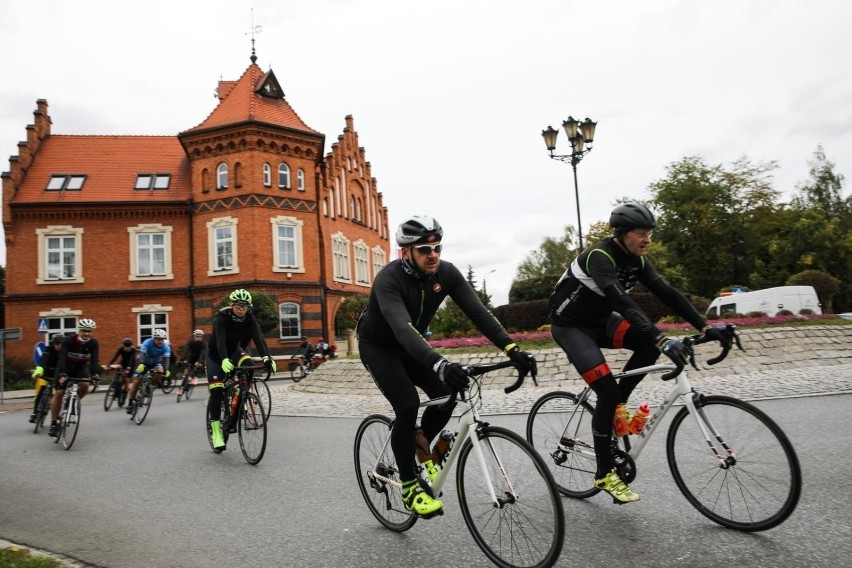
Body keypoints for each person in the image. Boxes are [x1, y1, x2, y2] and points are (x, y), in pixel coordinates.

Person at [356, 215, 536, 518]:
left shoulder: (446, 274)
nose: (433, 254)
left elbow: (479, 312)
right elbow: (402, 327)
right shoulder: (389, 279)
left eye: (437, 247)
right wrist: (439, 363)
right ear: (406, 252)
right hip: (380, 347)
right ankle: (410, 485)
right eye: (425, 249)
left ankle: (420, 445)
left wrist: (511, 347)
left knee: (446, 392)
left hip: (411, 345)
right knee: (407, 404)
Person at [548, 202, 727, 503]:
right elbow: (622, 302)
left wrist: (705, 326)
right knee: (606, 390)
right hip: (571, 327)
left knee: (644, 349)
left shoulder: (638, 261)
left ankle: (620, 403)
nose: (648, 240)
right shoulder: (600, 257)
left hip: (601, 322)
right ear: (621, 233)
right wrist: (661, 339)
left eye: (650, 234)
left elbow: (668, 293)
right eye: (641, 233)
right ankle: (604, 474)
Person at [206, 289, 276, 452]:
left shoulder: (249, 319)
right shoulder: (221, 318)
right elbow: (220, 340)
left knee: (249, 364)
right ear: (232, 305)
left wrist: (267, 357)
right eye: (238, 306)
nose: (241, 309)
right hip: (216, 355)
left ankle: (240, 397)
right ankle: (216, 431)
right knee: (216, 391)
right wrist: (223, 359)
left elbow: (259, 338)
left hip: (234, 351)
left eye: (244, 306)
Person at [47, 320, 100, 437]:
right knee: (59, 393)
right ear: (79, 330)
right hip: (65, 366)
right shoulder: (68, 340)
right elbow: (62, 358)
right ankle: (54, 423)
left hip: (81, 367)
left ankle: (73, 401)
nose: (86, 333)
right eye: (84, 331)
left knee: (85, 385)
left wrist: (95, 374)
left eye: (89, 331)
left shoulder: (93, 343)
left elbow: (95, 360)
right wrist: (62, 374)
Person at [126, 329, 171, 414]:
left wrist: (166, 370)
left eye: (162, 339)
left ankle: (151, 387)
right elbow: (141, 355)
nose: (160, 341)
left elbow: (166, 360)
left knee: (160, 371)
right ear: (154, 338)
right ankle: (130, 403)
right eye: (158, 339)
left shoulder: (166, 347)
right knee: (136, 382)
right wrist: (141, 364)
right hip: (143, 363)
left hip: (155, 364)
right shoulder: (147, 343)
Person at [29, 333, 64, 423]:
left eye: (61, 344)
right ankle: (35, 413)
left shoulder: (65, 352)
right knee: (41, 391)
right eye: (56, 344)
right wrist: (38, 372)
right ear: (53, 343)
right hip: (47, 372)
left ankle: (56, 413)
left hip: (58, 374)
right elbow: (42, 362)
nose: (58, 346)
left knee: (59, 394)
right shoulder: (48, 350)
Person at [177, 329, 207, 400]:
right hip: (191, 358)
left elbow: (203, 354)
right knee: (187, 373)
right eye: (197, 336)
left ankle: (195, 377)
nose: (198, 338)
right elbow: (186, 350)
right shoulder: (190, 342)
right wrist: (181, 359)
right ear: (194, 336)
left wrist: (199, 362)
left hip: (199, 359)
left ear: (202, 337)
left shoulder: (203, 344)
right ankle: (181, 388)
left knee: (197, 367)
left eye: (199, 337)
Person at [106, 338, 137, 405]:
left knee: (126, 380)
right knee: (118, 370)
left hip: (131, 365)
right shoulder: (120, 349)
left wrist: (128, 369)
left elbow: (131, 359)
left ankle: (124, 396)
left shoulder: (133, 350)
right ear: (123, 346)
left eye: (128, 348)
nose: (127, 349)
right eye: (125, 347)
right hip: (123, 363)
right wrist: (109, 364)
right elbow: (115, 357)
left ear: (131, 346)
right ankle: (115, 383)